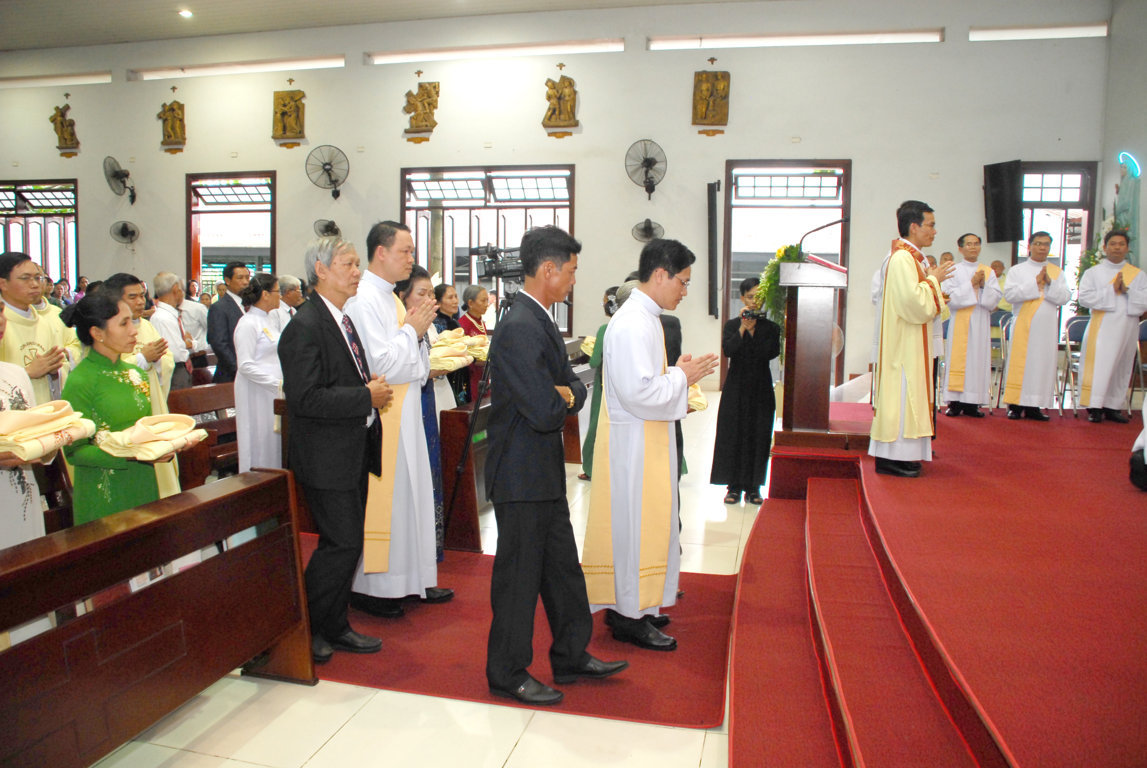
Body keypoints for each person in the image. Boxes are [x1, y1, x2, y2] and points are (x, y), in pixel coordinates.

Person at [485, 225, 628, 705]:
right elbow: (546, 409)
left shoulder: (540, 317)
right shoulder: (519, 326)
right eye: (570, 270)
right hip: (519, 473)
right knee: (519, 579)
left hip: (541, 470)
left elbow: (574, 385)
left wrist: (564, 394)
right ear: (548, 269)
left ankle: (570, 654)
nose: (573, 280)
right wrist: (563, 396)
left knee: (563, 570)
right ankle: (507, 672)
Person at [581, 238, 718, 651]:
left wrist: (675, 373)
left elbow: (644, 382)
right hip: (634, 448)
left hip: (645, 440)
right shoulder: (631, 323)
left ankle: (638, 604)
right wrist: (682, 378)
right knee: (635, 529)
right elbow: (639, 392)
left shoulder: (646, 317)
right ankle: (629, 615)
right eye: (683, 281)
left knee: (644, 527)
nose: (685, 291)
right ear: (660, 274)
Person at [278, 236, 393, 664]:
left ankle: (334, 624)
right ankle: (301, 627)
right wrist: (365, 396)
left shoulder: (341, 318)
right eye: (348, 264)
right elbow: (304, 398)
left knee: (348, 542)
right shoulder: (305, 325)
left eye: (357, 263)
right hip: (324, 455)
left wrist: (366, 386)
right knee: (341, 543)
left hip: (350, 449)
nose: (357, 271)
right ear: (321, 270)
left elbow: (340, 378)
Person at [344, 221, 451, 617]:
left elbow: (414, 367)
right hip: (383, 417)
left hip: (405, 412)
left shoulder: (390, 297)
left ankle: (410, 580)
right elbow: (381, 365)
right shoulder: (363, 301)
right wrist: (411, 331)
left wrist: (414, 336)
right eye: (405, 251)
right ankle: (373, 589)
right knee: (388, 503)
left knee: (410, 497)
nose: (411, 258)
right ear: (381, 252)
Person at [60, 294, 165, 524]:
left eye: (131, 322)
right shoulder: (81, 380)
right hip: (103, 490)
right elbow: (74, 450)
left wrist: (164, 445)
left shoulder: (136, 374)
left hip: (143, 479)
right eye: (123, 324)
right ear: (97, 333)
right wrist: (128, 453)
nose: (134, 331)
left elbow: (145, 429)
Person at [869, 201, 952, 478]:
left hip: (912, 341)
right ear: (914, 226)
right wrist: (934, 281)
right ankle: (891, 458)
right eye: (931, 225)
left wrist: (933, 286)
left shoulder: (913, 258)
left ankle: (905, 456)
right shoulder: (902, 259)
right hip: (904, 344)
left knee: (908, 396)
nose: (934, 231)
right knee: (903, 396)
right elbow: (912, 304)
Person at [710, 276, 781, 505]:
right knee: (733, 434)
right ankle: (733, 487)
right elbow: (729, 351)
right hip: (736, 387)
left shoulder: (771, 328)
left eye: (758, 297)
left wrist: (753, 333)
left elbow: (769, 353)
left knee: (759, 435)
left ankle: (754, 487)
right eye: (750, 297)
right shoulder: (732, 325)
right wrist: (743, 328)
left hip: (761, 387)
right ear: (742, 298)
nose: (754, 301)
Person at [396, 266, 447, 561]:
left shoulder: (425, 327)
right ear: (403, 296)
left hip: (425, 400)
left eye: (431, 294)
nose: (430, 300)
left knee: (431, 468)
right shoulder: (398, 326)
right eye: (422, 293)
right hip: (404, 405)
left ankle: (430, 548)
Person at [1077, 230, 1147, 423]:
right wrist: (1111, 290)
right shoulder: (1093, 273)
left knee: (1122, 366)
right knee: (1099, 365)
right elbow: (1085, 298)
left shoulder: (1138, 275)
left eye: (1121, 244)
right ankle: (1094, 407)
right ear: (1105, 247)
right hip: (1102, 327)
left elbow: (1144, 301)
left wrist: (1127, 290)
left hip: (1127, 326)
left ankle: (1113, 406)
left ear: (1127, 248)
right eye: (1113, 244)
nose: (1117, 248)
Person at [1001, 231, 1070, 420]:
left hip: (1046, 328)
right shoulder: (1017, 270)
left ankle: (1035, 406)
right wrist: (1035, 283)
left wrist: (1049, 284)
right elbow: (1010, 295)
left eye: (1046, 244)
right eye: (1038, 243)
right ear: (1030, 246)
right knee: (1020, 364)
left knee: (1041, 364)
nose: (1042, 248)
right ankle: (1015, 406)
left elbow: (1065, 297)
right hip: (1023, 325)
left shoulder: (1056, 272)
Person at [941, 233, 1001, 418]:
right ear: (960, 248)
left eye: (976, 244)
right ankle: (955, 403)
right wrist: (971, 284)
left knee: (977, 361)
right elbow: (948, 297)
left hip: (980, 320)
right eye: (969, 244)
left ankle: (973, 403)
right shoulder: (953, 270)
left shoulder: (988, 271)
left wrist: (982, 286)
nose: (973, 247)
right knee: (958, 361)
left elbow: (995, 299)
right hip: (959, 321)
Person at [0, 252, 73, 405]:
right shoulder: (2, 324)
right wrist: (26, 373)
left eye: (37, 278)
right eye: (25, 278)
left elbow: (60, 369)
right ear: (3, 284)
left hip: (44, 410)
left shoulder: (45, 323)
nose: (34, 284)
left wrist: (55, 372)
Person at [235, 273, 283, 473]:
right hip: (256, 389)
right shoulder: (247, 323)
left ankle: (274, 478)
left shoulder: (269, 319)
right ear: (265, 294)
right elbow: (245, 365)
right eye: (277, 291)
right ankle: (254, 479)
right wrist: (275, 383)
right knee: (258, 437)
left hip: (273, 391)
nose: (280, 296)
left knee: (272, 439)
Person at [578, 285, 620, 481]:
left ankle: (591, 467)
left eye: (604, 301)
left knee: (597, 425)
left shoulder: (606, 329)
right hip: (624, 387)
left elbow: (595, 362)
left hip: (604, 385)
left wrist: (591, 350)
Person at [150, 272, 196, 391]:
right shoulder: (162, 318)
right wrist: (187, 343)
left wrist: (188, 343)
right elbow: (176, 353)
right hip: (175, 371)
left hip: (181, 370)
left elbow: (187, 343)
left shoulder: (171, 315)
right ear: (175, 289)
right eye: (181, 289)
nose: (183, 293)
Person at [207, 261, 250, 382]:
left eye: (247, 277)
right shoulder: (219, 307)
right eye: (240, 278)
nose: (245, 282)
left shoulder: (250, 304)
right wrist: (239, 370)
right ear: (228, 280)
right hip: (231, 375)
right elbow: (219, 344)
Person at [432, 283, 467, 403]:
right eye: (450, 297)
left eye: (456, 296)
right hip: (442, 378)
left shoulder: (455, 323)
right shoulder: (436, 324)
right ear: (438, 302)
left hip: (458, 374)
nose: (455, 301)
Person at [459, 284, 490, 402]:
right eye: (483, 300)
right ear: (470, 303)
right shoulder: (463, 324)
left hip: (483, 374)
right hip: (470, 376)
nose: (486, 304)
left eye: (487, 300)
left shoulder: (481, 322)